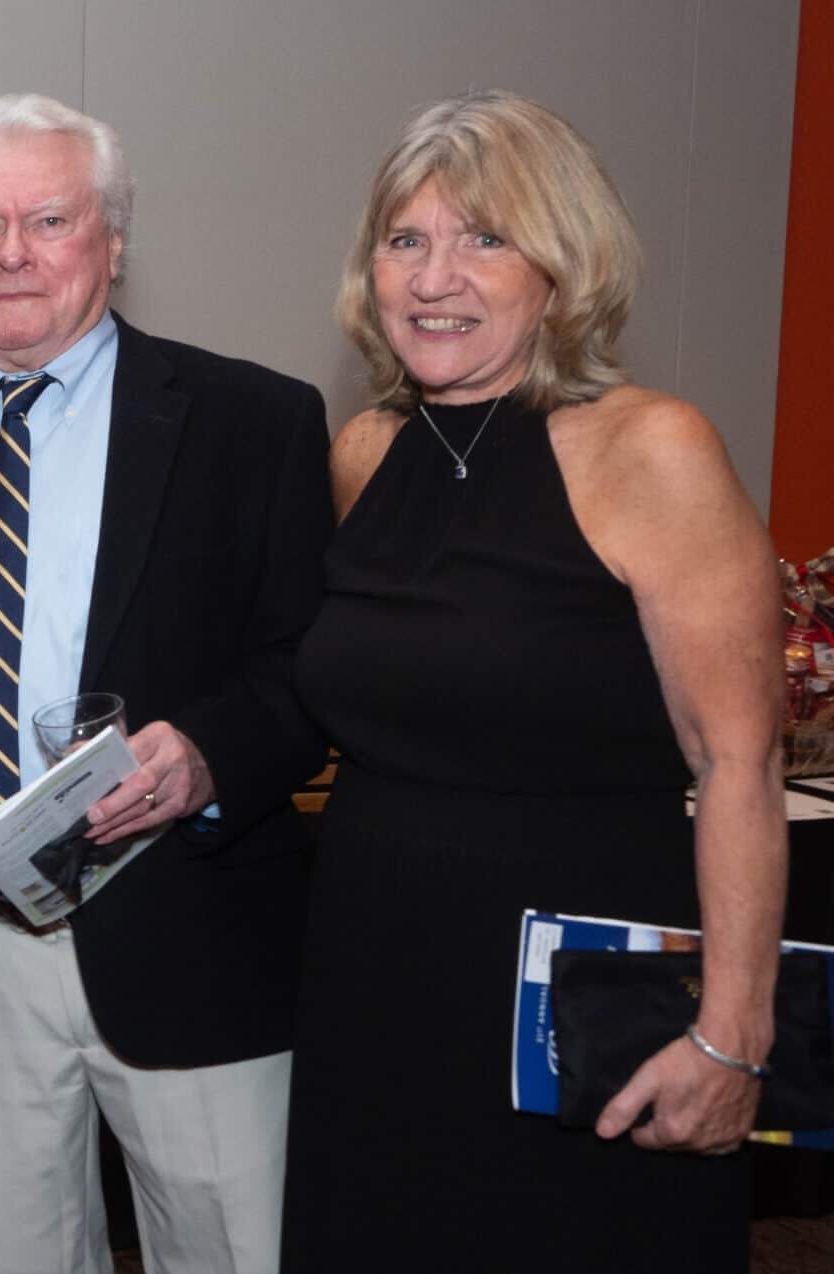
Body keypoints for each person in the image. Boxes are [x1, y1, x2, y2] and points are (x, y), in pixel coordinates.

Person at [0, 94, 331, 1273]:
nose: (11, 254)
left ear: (114, 241)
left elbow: (313, 671)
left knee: (228, 1253)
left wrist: (206, 753)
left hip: (184, 921)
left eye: (48, 219)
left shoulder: (253, 422)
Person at [282, 90, 787, 1271]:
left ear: (562, 267)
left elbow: (738, 764)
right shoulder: (366, 450)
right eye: (405, 239)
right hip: (373, 970)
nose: (432, 274)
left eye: (483, 237)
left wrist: (730, 1036)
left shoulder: (651, 446)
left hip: (584, 995)